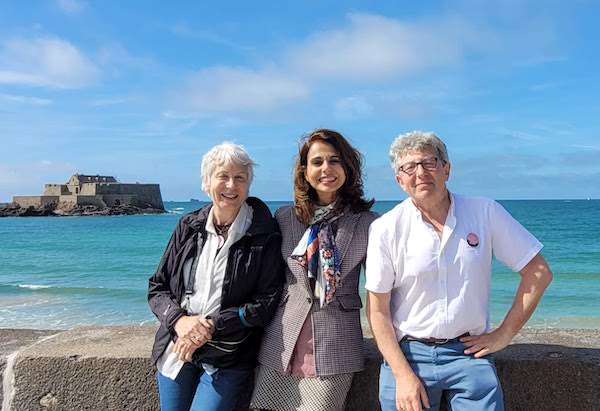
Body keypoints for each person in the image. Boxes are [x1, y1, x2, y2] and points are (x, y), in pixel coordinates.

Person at [366, 131, 553, 411]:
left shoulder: (484, 212)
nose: (420, 173)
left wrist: (504, 334)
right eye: (409, 167)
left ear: (447, 168)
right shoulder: (385, 228)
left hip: (469, 354)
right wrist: (402, 375)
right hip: (408, 355)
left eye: (429, 162)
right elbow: (377, 310)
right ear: (400, 180)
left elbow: (538, 272)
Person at [148, 142, 283, 411]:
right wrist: (180, 322)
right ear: (206, 183)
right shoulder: (188, 227)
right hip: (179, 346)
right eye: (223, 176)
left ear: (248, 185)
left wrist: (210, 326)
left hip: (229, 354)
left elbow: (266, 303)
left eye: (239, 178)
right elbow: (157, 288)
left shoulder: (264, 233)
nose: (231, 186)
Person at [251, 129, 377, 410]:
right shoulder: (284, 218)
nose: (326, 169)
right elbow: (265, 279)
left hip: (335, 344)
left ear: (348, 167)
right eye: (317, 162)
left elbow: (383, 288)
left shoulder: (368, 223)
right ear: (305, 171)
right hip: (282, 342)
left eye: (335, 160)